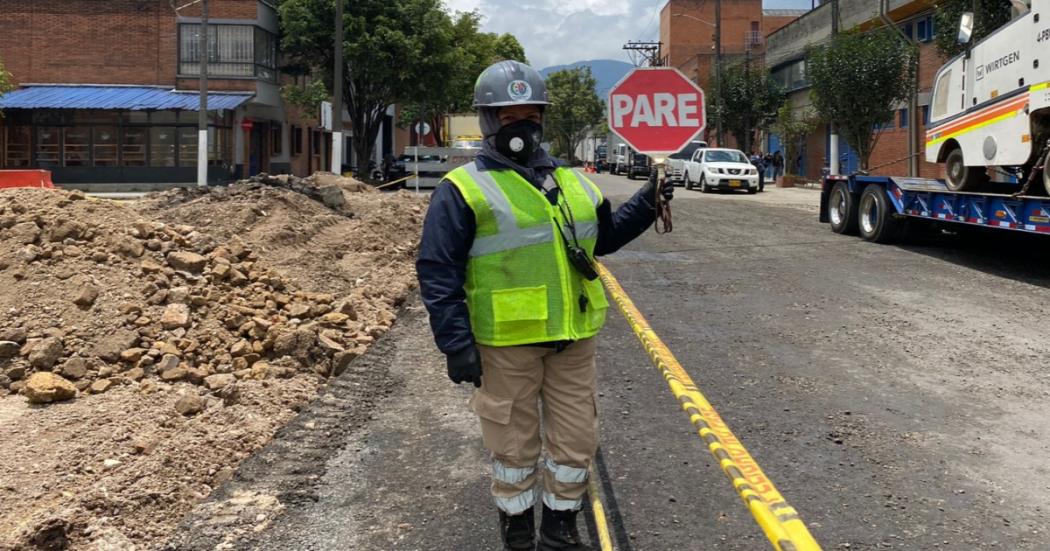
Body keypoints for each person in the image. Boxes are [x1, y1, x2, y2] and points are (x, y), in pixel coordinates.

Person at [416, 60, 673, 551]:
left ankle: (560, 527)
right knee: (513, 446)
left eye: (530, 117)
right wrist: (455, 343)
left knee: (576, 441)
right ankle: (517, 533)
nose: (522, 129)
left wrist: (647, 201)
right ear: (489, 122)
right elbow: (438, 269)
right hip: (506, 343)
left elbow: (604, 239)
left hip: (573, 338)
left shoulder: (574, 181)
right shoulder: (463, 188)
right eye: (509, 118)